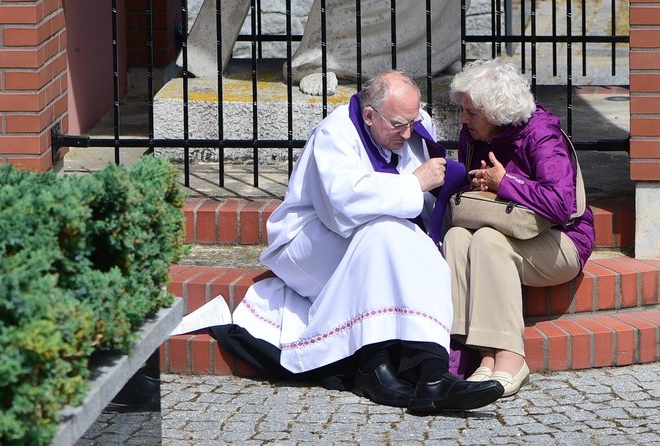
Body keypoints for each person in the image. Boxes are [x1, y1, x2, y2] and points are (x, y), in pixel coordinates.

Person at [212, 70, 504, 414]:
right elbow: (342, 208)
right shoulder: (334, 134)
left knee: (420, 247)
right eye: (399, 125)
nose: (409, 132)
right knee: (383, 235)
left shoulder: (408, 122)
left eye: (412, 121)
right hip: (306, 242)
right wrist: (414, 184)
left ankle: (432, 374)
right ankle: (372, 367)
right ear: (369, 115)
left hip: (372, 235)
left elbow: (412, 201)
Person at [443, 58, 596, 398]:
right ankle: (468, 355)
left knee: (488, 242)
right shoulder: (474, 134)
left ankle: (510, 358)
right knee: (455, 237)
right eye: (464, 111)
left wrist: (503, 183)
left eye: (471, 112)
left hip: (561, 242)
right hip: (505, 230)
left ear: (496, 112)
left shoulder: (542, 136)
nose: (463, 119)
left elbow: (561, 205)